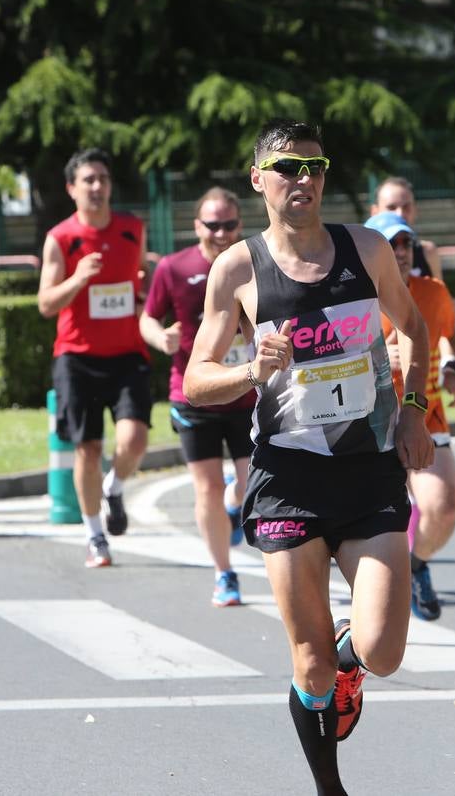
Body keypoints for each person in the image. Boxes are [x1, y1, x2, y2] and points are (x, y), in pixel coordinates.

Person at [184, 119, 434, 796]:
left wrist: (412, 410)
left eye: (314, 166)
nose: (303, 178)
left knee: (382, 650)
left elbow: (414, 326)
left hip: (368, 467)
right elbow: (193, 380)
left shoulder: (365, 249)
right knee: (309, 663)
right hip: (289, 477)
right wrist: (247, 371)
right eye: (288, 167)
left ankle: (351, 661)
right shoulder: (237, 268)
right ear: (259, 178)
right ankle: (331, 788)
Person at [38, 148, 151, 569]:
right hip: (77, 356)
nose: (97, 186)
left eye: (103, 178)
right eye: (88, 180)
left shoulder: (132, 228)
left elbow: (140, 275)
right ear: (72, 189)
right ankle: (95, 535)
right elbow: (46, 303)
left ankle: (115, 486)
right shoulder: (61, 238)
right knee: (87, 447)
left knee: (135, 439)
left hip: (126, 352)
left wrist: (142, 294)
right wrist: (78, 278)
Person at [141, 187, 253, 605]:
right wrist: (160, 337)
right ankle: (224, 573)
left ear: (240, 225)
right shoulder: (173, 268)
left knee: (250, 482)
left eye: (228, 225)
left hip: (247, 391)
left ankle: (234, 502)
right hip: (195, 396)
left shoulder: (254, 262)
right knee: (205, 486)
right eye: (212, 225)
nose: (221, 233)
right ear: (197, 226)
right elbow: (148, 317)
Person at [365, 211, 455, 622]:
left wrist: (452, 368)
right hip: (364, 424)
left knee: (442, 507)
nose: (401, 252)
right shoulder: (351, 298)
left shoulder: (432, 292)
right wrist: (375, 360)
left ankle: (416, 565)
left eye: (406, 244)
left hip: (424, 414)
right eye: (391, 245)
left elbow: (448, 335)